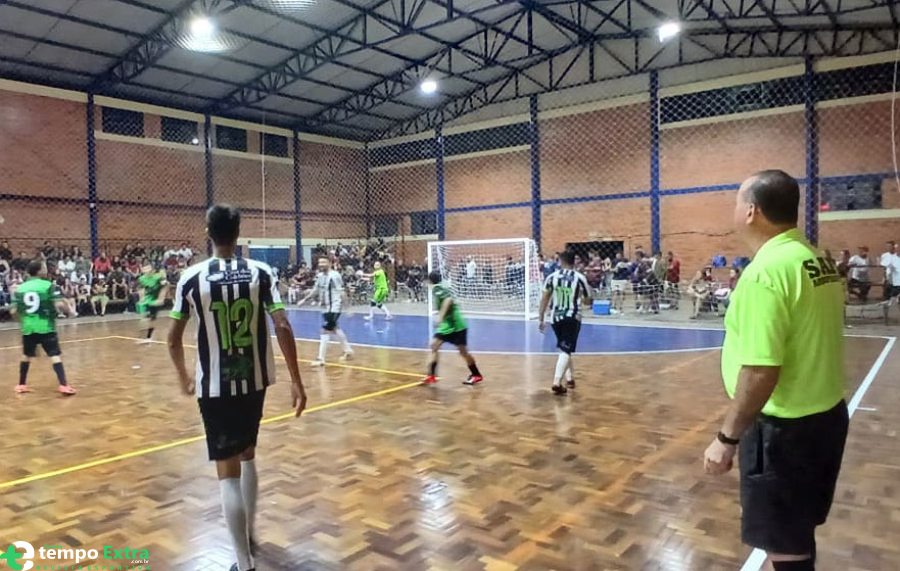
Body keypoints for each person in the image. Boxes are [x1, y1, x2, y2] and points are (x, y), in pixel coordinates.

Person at [703, 170, 848, 571]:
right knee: (794, 536)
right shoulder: (816, 258)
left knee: (787, 548)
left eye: (736, 202)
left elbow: (761, 370)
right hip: (825, 418)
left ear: (751, 212)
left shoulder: (766, 273)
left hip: (784, 433)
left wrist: (726, 438)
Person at [168, 205, 308, 571]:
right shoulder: (261, 273)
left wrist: (183, 373)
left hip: (214, 387)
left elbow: (172, 337)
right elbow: (283, 327)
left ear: (207, 232)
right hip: (255, 381)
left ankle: (243, 564)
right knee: (248, 455)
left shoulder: (191, 277)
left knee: (226, 472)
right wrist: (296, 379)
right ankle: (249, 533)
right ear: (239, 231)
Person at [12, 260, 76, 395]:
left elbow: (13, 311)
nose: (46, 269)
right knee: (54, 355)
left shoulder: (20, 288)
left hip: (28, 327)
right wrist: (69, 311)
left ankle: (21, 385)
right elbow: (58, 304)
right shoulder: (48, 286)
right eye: (44, 267)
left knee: (26, 355)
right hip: (46, 326)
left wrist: (22, 322)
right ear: (40, 271)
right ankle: (63, 385)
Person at [538, 250, 591, 395]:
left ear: (561, 261)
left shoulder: (551, 277)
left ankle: (570, 378)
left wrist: (541, 317)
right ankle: (556, 382)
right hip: (572, 317)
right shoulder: (580, 278)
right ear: (574, 261)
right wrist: (579, 296)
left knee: (564, 347)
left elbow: (545, 298)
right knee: (567, 349)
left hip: (555, 318)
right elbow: (588, 300)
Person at [423, 271, 483, 385]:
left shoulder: (437, 289)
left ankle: (476, 374)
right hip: (448, 325)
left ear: (430, 281)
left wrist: (440, 316)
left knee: (463, 352)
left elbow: (448, 300)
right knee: (434, 345)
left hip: (456, 325)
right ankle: (431, 375)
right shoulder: (440, 288)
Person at [300, 257, 354, 366]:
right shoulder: (319, 276)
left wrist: (347, 308)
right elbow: (316, 290)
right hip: (325, 307)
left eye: (324, 262)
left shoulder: (335, 276)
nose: (321, 264)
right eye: (320, 262)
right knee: (335, 329)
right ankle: (348, 351)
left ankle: (321, 359)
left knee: (324, 331)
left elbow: (342, 292)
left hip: (335, 307)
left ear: (329, 263)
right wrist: (304, 299)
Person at [137, 263, 168, 343]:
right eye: (145, 269)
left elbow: (165, 287)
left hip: (155, 299)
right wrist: (142, 298)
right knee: (143, 317)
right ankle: (143, 336)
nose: (147, 270)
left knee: (152, 319)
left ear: (152, 270)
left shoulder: (158, 277)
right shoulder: (141, 279)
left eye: (148, 268)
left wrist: (161, 298)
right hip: (147, 299)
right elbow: (141, 288)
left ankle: (148, 337)